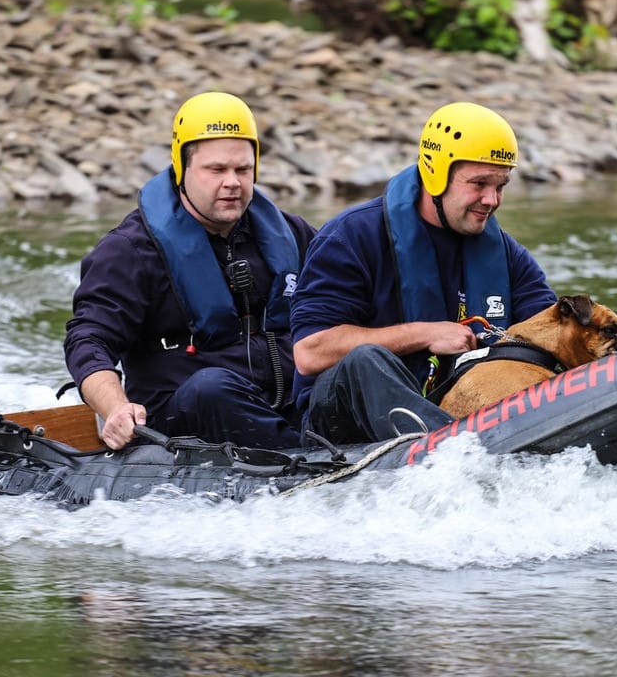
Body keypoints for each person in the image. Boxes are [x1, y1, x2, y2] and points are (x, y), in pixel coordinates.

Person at [290, 101, 556, 444]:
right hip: (337, 425)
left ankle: (469, 445)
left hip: (454, 417)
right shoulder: (350, 236)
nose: (491, 199)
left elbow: (549, 330)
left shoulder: (506, 254)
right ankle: (459, 450)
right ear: (435, 175)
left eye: (501, 186)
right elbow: (309, 353)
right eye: (478, 184)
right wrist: (423, 333)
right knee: (365, 360)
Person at [64, 92, 315, 450]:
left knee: (356, 361)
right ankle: (311, 461)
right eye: (216, 170)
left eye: (243, 169)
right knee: (212, 387)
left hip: (285, 400)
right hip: (183, 413)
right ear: (182, 168)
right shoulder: (130, 250)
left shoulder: (292, 234)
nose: (232, 182)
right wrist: (115, 408)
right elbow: (88, 340)